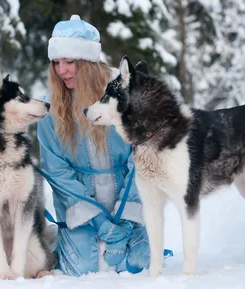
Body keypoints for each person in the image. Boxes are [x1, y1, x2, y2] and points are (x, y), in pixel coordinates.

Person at [37, 14, 170, 277]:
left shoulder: (125, 93)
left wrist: (125, 218)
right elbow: (57, 172)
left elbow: (142, 158)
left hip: (129, 203)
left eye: (69, 62)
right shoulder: (51, 107)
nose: (61, 70)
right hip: (82, 210)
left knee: (138, 264)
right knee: (83, 269)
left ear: (87, 62)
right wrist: (99, 221)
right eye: (56, 63)